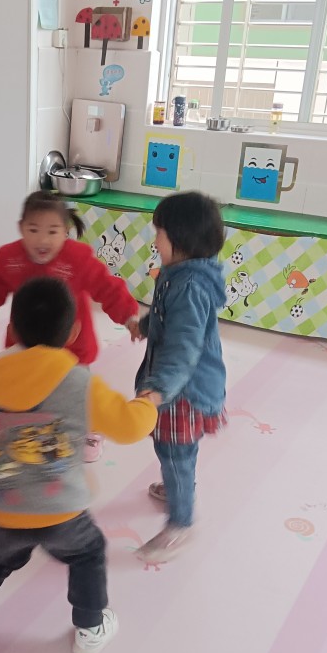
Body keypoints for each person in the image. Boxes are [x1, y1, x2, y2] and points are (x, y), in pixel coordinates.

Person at [0, 277, 158, 653]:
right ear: (73, 332)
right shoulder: (80, 382)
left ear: (13, 330)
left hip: (2, 505)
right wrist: (147, 403)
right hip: (61, 509)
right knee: (88, 553)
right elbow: (130, 426)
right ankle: (90, 629)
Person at [0, 190, 139, 462]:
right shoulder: (12, 258)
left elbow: (107, 287)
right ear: (21, 228)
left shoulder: (77, 259)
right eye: (33, 230)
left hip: (71, 344)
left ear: (65, 232)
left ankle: (88, 430)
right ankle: (12, 421)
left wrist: (129, 317)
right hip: (26, 342)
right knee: (22, 385)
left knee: (78, 390)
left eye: (52, 231)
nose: (42, 240)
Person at [131, 191, 228, 563]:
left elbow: (184, 349)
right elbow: (168, 318)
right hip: (178, 385)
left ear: (181, 239)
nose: (155, 240)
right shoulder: (182, 273)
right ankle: (178, 489)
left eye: (160, 232)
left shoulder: (188, 286)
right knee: (176, 451)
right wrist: (145, 325)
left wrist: (157, 390)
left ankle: (181, 522)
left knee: (175, 453)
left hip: (182, 391)